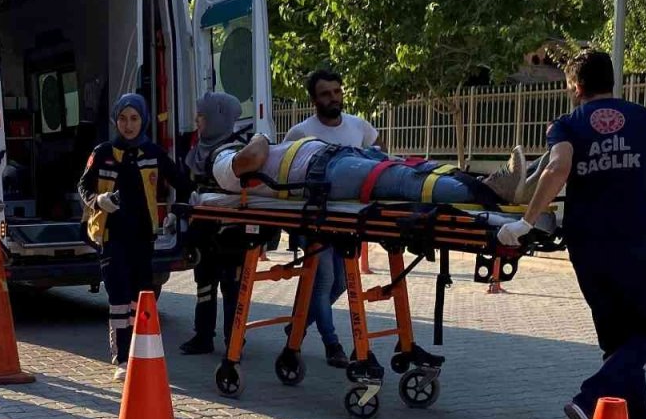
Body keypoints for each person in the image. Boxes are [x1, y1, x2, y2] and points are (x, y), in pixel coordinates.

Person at [498, 50, 646, 419]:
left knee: (619, 341)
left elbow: (557, 167)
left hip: (588, 244)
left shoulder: (566, 124)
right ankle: (590, 398)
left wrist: (526, 223)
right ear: (612, 80)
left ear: (574, 87)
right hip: (637, 240)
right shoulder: (644, 118)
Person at [79, 93, 194, 381]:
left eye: (134, 119)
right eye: (122, 119)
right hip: (111, 235)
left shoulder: (153, 153)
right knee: (118, 297)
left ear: (142, 120)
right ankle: (121, 358)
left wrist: (176, 212)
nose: (128, 125)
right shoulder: (104, 152)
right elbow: (83, 185)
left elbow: (182, 182)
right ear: (115, 120)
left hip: (143, 237)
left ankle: (139, 351)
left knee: (140, 298)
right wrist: (98, 200)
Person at [281, 69, 381, 368]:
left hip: (347, 222)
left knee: (339, 283)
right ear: (314, 99)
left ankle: (298, 324)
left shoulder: (359, 127)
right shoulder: (300, 133)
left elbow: (378, 159)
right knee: (324, 280)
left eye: (337, 91)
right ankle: (332, 343)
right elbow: (286, 173)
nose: (333, 98)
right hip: (313, 221)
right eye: (326, 93)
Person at [211, 135, 525, 207]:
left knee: (414, 166)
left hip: (334, 160)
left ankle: (492, 181)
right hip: (324, 173)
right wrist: (259, 136)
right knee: (403, 179)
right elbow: (252, 158)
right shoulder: (221, 162)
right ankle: (493, 191)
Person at [179, 92, 248, 356]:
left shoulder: (234, 153)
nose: (198, 122)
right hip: (205, 232)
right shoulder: (197, 150)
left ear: (219, 119)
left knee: (232, 289)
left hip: (232, 234)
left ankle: (235, 339)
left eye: (203, 117)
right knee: (204, 285)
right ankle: (203, 336)